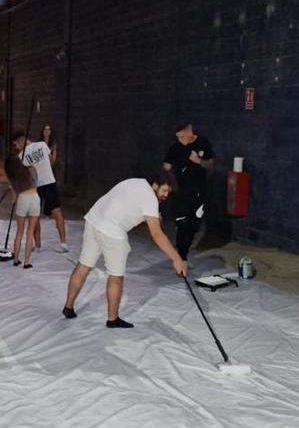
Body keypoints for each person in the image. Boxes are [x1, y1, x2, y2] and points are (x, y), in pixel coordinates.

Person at [62, 171, 187, 328]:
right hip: (112, 232)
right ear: (155, 184)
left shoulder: (136, 182)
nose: (166, 195)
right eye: (164, 190)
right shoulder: (150, 198)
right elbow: (157, 234)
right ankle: (112, 319)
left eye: (168, 192)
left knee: (83, 266)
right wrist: (176, 259)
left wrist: (150, 216)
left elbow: (126, 206)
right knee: (116, 276)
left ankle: (68, 307)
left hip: (94, 220)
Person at [162, 122, 215, 261]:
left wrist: (198, 161)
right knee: (182, 224)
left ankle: (184, 252)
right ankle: (181, 256)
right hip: (182, 192)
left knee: (194, 225)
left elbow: (211, 163)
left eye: (181, 137)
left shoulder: (203, 142)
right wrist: (169, 176)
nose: (179, 140)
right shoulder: (175, 148)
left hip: (199, 191)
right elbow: (166, 166)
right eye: (177, 137)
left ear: (189, 133)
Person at [27, 124, 68, 252]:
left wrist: (51, 153)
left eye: (49, 129)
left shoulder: (48, 146)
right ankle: (37, 244)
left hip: (49, 182)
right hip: (37, 184)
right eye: (45, 129)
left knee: (57, 212)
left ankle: (63, 243)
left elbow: (51, 162)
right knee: (35, 214)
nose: (46, 131)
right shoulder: (35, 147)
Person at [6, 132, 40, 268]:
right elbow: (33, 154)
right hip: (35, 198)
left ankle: (15, 259)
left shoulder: (15, 175)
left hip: (23, 199)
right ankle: (26, 262)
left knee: (20, 231)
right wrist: (29, 144)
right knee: (30, 231)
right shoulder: (32, 169)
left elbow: (13, 193)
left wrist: (13, 200)